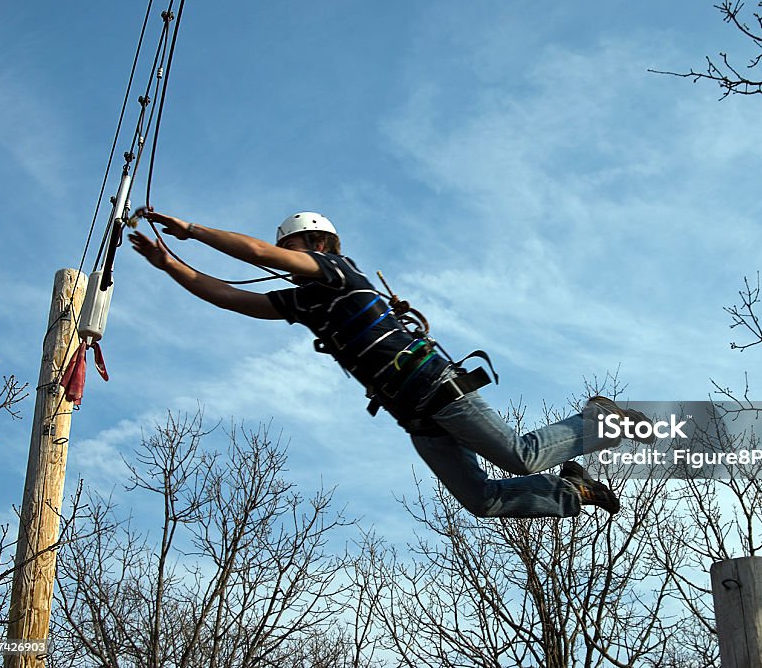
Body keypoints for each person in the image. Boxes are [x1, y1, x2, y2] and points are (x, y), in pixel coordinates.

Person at [129, 210, 632, 518]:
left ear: (319, 245)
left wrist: (192, 231)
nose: (282, 256)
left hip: (439, 391)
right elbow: (229, 297)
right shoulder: (305, 304)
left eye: (291, 247)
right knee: (481, 500)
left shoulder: (337, 272)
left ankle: (606, 420)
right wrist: (169, 263)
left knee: (520, 457)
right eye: (284, 249)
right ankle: (572, 490)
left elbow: (259, 254)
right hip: (417, 418)